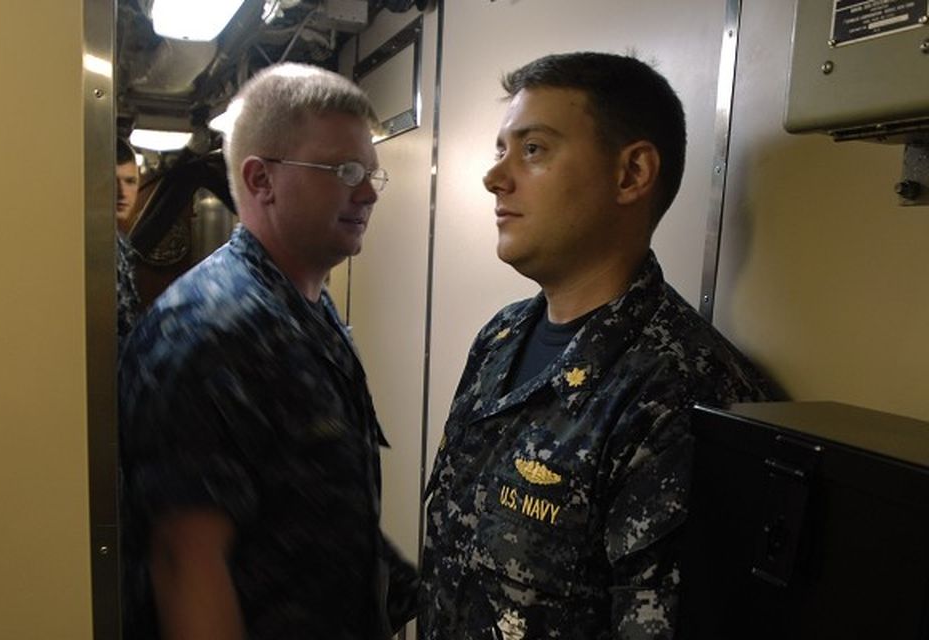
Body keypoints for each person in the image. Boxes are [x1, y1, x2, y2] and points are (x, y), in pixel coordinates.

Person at [419, 52, 773, 640]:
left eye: (533, 149)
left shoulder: (684, 394)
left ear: (631, 173)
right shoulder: (500, 338)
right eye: (501, 150)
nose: (494, 177)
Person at [118, 62, 417, 640]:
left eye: (372, 175)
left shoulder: (305, 307)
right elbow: (187, 569)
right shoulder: (207, 331)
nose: (366, 193)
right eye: (345, 170)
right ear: (261, 181)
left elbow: (310, 503)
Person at [116, 137, 142, 345]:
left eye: (130, 181)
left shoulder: (121, 244)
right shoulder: (100, 246)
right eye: (113, 180)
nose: (122, 193)